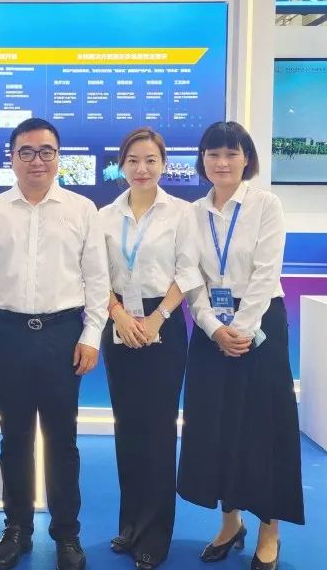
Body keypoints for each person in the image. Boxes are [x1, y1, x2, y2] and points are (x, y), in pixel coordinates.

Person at [0, 117, 109, 570]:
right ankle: (16, 530)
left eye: (46, 151)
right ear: (12, 158)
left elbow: (97, 280)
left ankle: (67, 534)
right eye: (26, 152)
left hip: (63, 334)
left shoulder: (82, 209)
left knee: (63, 439)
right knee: (14, 438)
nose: (37, 160)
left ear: (58, 157)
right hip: (7, 334)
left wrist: (91, 335)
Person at [177, 121, 304, 570]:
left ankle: (270, 530)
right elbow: (189, 275)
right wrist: (213, 327)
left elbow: (267, 272)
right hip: (212, 329)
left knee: (263, 427)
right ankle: (230, 523)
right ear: (202, 160)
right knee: (216, 425)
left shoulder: (266, 205)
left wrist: (243, 330)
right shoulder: (192, 213)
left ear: (246, 158)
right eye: (213, 153)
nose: (222, 162)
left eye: (231, 153)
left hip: (261, 325)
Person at [98, 128, 203, 570]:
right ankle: (131, 523)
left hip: (165, 324)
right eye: (133, 160)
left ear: (163, 164)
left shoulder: (182, 213)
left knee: (158, 430)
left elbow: (188, 271)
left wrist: (157, 317)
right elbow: (94, 274)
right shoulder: (104, 216)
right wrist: (119, 316)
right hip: (119, 325)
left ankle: (156, 532)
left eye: (151, 160)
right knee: (127, 426)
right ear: (121, 165)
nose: (142, 169)